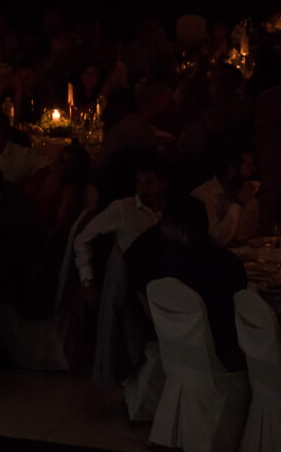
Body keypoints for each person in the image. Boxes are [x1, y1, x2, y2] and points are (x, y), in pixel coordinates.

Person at [126, 197, 248, 373]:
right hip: (223, 355)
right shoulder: (232, 264)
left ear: (179, 231)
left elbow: (141, 295)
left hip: (177, 356)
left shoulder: (162, 270)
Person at [74, 157, 167, 297]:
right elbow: (82, 239)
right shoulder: (123, 209)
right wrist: (86, 279)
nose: (143, 189)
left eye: (149, 183)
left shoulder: (170, 212)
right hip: (130, 287)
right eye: (139, 182)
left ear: (163, 184)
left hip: (163, 283)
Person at [0, 162, 49, 318]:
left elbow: (8, 258)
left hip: (27, 285)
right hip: (27, 270)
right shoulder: (9, 194)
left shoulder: (13, 212)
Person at [190, 145, 259, 246]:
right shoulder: (202, 196)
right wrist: (238, 204)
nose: (254, 170)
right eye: (249, 166)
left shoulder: (249, 197)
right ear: (231, 170)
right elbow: (215, 241)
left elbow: (253, 237)